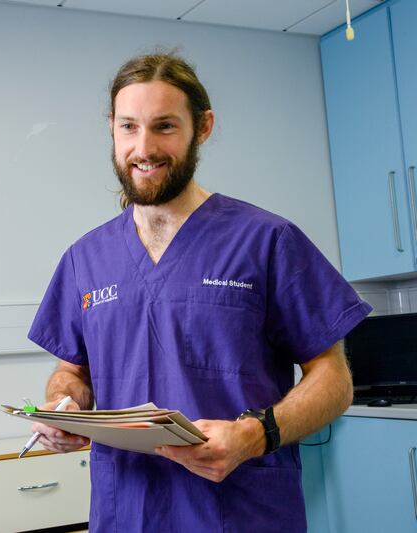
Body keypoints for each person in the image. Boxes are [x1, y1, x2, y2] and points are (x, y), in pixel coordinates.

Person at [27, 53, 372, 532]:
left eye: (164, 126)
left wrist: (254, 434)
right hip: (127, 512)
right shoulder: (86, 258)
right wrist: (64, 408)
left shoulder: (266, 241)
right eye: (129, 127)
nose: (143, 148)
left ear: (202, 127)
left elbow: (334, 380)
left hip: (239, 512)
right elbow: (72, 372)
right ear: (112, 128)